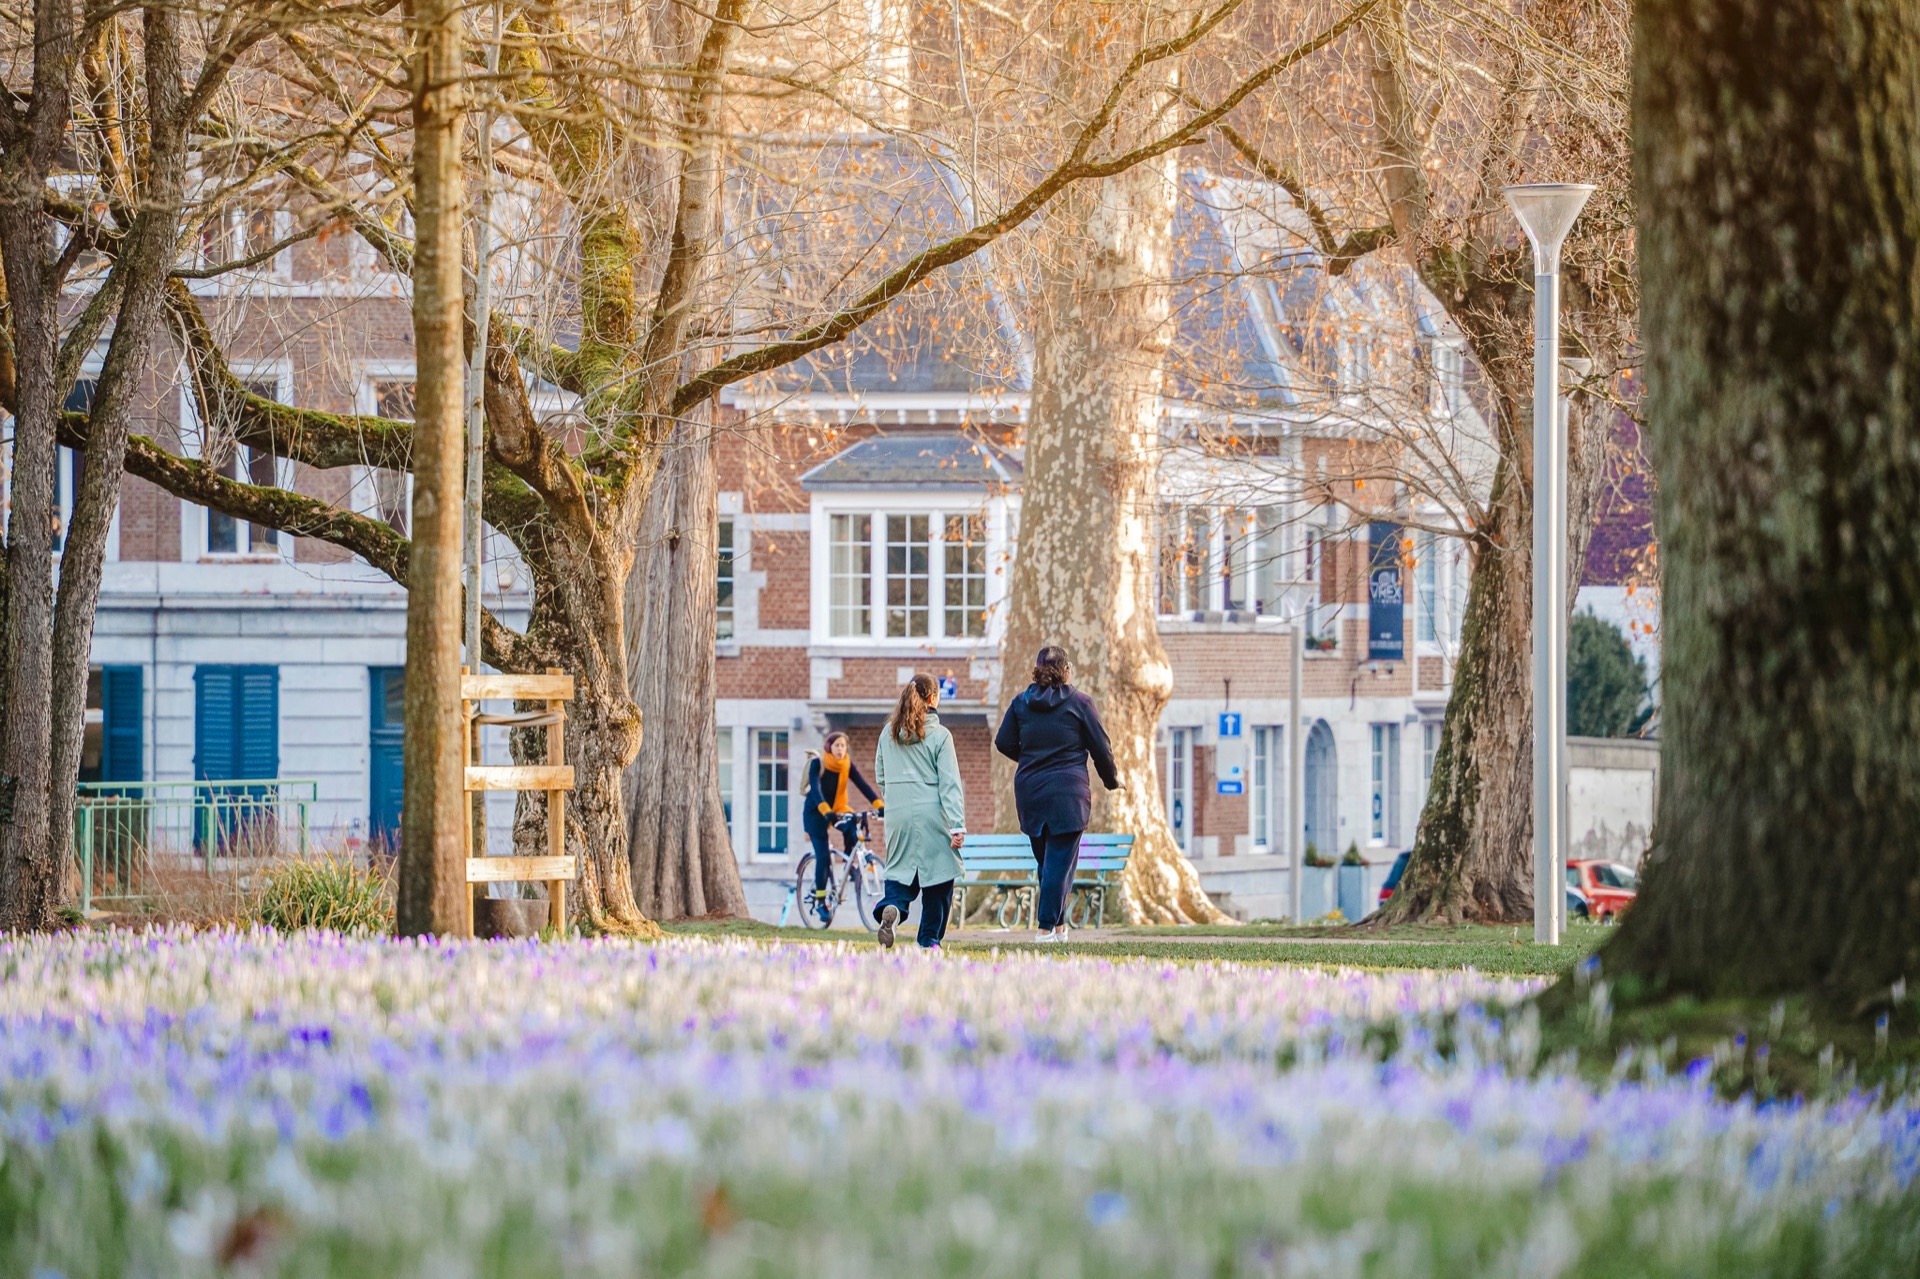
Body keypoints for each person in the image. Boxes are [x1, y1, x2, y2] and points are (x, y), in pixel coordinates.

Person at [994, 646, 1120, 942]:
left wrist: (1029, 759)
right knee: (1058, 863)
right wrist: (1112, 780)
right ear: (1066, 670)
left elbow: (1003, 742)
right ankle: (1044, 929)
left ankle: (1060, 928)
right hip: (1068, 794)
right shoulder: (1080, 703)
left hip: (1031, 793)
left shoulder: (1020, 703)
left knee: (1050, 863)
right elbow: (1101, 748)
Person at [871, 674, 967, 951]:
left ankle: (892, 907)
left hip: (898, 814)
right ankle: (929, 941)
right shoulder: (940, 735)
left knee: (901, 870)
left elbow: (881, 776)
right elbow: (949, 783)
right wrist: (957, 824)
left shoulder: (888, 734)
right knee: (939, 878)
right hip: (932, 813)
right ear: (933, 698)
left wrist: (896, 802)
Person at [801, 732, 882, 923]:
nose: (840, 750)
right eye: (837, 746)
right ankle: (821, 901)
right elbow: (816, 788)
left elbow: (862, 784)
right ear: (829, 747)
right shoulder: (818, 763)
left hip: (837, 809)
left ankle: (851, 867)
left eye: (843, 746)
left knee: (853, 826)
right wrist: (824, 809)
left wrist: (878, 804)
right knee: (822, 856)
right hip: (815, 813)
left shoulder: (846, 764)